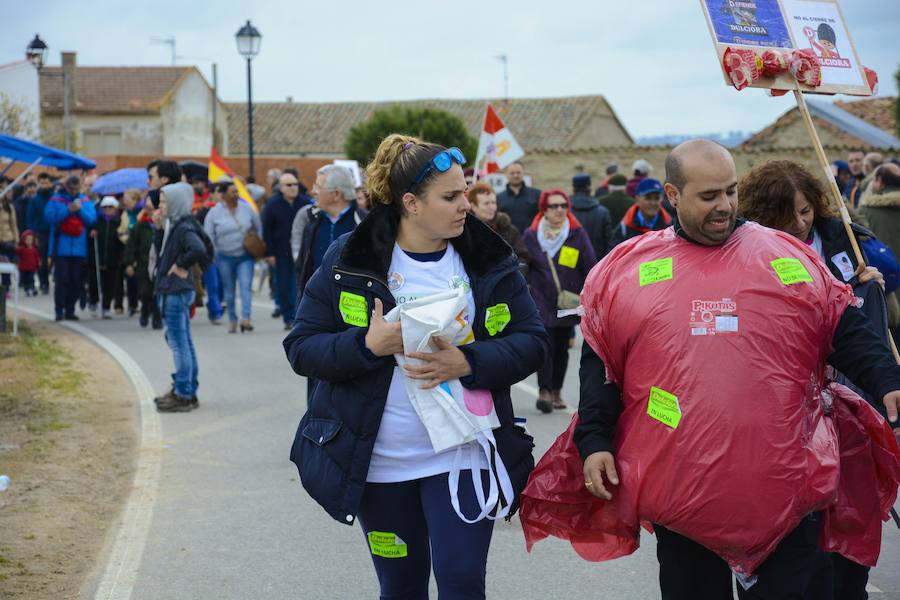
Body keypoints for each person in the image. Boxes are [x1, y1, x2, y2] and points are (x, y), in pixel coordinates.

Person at [576, 139, 900, 600]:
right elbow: (602, 363)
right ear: (672, 194)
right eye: (709, 196)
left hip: (785, 489)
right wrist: (594, 440)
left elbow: (842, 327)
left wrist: (887, 380)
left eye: (730, 192)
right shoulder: (632, 269)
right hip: (681, 492)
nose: (725, 206)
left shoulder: (785, 257)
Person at [283, 134, 548, 600]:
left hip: (464, 456)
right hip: (380, 466)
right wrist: (368, 344)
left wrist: (467, 360)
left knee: (463, 583)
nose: (466, 204)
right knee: (401, 588)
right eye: (451, 196)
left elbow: (532, 343)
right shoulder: (350, 259)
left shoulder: (488, 261)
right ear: (411, 203)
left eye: (465, 191)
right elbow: (302, 348)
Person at [737, 159, 892, 599]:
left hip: (847, 401)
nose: (801, 222)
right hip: (784, 411)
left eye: (806, 211)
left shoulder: (845, 239)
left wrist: (871, 285)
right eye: (789, 215)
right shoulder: (751, 251)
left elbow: (860, 321)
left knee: (846, 515)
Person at [522, 189, 597, 413]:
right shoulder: (532, 235)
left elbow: (590, 264)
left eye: (563, 206)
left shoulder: (576, 233)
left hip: (567, 301)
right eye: (554, 206)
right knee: (545, 345)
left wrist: (590, 295)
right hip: (540, 298)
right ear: (544, 209)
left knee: (562, 347)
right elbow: (525, 265)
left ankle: (556, 391)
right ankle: (544, 390)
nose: (559, 210)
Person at [152, 182, 206, 412]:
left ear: (175, 203)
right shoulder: (173, 225)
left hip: (175, 291)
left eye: (164, 201)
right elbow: (162, 253)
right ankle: (187, 389)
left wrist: (181, 265)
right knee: (184, 342)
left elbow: (198, 249)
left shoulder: (183, 227)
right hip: (175, 289)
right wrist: (158, 229)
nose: (160, 206)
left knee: (178, 343)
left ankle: (184, 393)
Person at [204, 181, 262, 333]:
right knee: (229, 291)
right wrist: (214, 253)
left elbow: (258, 227)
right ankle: (232, 319)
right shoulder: (214, 213)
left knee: (245, 286)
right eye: (233, 192)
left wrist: (257, 245)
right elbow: (209, 235)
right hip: (224, 257)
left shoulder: (247, 209)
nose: (236, 194)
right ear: (223, 195)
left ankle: (246, 318)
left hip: (245, 256)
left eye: (237, 191)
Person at [44, 175, 96, 321]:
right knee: (62, 280)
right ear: (66, 187)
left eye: (76, 188)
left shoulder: (84, 201)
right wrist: (67, 210)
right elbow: (49, 218)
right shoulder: (56, 199)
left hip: (79, 249)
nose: (73, 191)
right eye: (71, 188)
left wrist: (79, 210)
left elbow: (92, 220)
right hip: (61, 247)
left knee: (76, 281)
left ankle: (70, 310)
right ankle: (59, 310)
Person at [263, 172, 303, 330]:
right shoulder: (272, 205)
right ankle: (288, 317)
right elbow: (266, 230)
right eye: (289, 185)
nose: (293, 188)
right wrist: (269, 253)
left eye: (295, 184)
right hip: (280, 253)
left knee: (297, 286)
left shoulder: (305, 203)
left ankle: (297, 317)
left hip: (301, 253)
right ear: (281, 187)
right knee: (283, 286)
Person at [467, 181, 528, 267]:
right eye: (486, 203)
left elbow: (523, 258)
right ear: (473, 206)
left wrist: (513, 277)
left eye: (493, 202)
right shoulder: (465, 231)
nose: (491, 207)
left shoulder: (509, 229)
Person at [124, 200, 161, 329]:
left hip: (160, 264)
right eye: (148, 209)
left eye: (152, 209)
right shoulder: (140, 226)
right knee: (145, 292)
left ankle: (157, 318)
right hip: (143, 264)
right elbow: (131, 246)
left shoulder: (163, 225)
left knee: (158, 293)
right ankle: (145, 311)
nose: (150, 212)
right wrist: (129, 263)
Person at [609, 178, 673, 249]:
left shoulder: (670, 227)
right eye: (648, 198)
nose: (653, 203)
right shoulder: (624, 228)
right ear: (637, 199)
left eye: (656, 198)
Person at [92, 196, 125, 318]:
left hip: (113, 258)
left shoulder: (119, 222)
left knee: (110, 284)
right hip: (97, 258)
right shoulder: (96, 221)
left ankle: (106, 306)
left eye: (111, 207)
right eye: (105, 207)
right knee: (95, 282)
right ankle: (94, 302)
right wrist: (93, 232)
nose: (108, 210)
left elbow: (122, 240)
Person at [569, 174, 612, 259]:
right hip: (597, 260)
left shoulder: (566, 211)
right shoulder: (602, 212)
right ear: (589, 188)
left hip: (570, 260)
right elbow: (609, 241)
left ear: (573, 189)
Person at [27, 173, 54, 294]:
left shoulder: (54, 198)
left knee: (53, 259)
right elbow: (30, 219)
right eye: (42, 183)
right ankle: (44, 282)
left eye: (46, 183)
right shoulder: (34, 201)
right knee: (42, 260)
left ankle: (51, 279)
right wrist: (33, 235)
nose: (44, 186)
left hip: (54, 232)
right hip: (41, 234)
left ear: (50, 184)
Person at [496, 161, 541, 233]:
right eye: (512, 173)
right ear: (506, 175)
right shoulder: (498, 198)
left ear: (523, 173)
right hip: (508, 240)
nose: (515, 175)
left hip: (531, 239)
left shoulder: (537, 194)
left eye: (518, 172)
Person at [0, 189, 18, 290]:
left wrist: (16, 240)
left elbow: (13, 224)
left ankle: (6, 287)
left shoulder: (9, 207)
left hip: (7, 239)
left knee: (6, 265)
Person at [16, 229, 40, 296]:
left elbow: (37, 257)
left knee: (31, 278)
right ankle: (26, 289)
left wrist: (38, 263)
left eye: (30, 240)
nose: (29, 241)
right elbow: (17, 252)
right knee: (25, 280)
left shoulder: (34, 249)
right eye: (27, 239)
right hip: (23, 268)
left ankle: (32, 288)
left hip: (32, 268)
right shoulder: (22, 249)